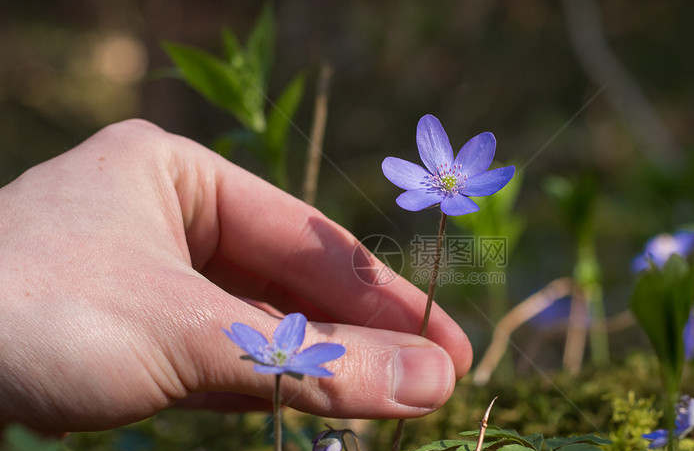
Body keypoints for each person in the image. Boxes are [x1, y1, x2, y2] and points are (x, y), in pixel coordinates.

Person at [0, 119, 472, 434]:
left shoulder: (457, 190)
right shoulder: (423, 186)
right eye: (442, 179)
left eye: (450, 179)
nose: (446, 182)